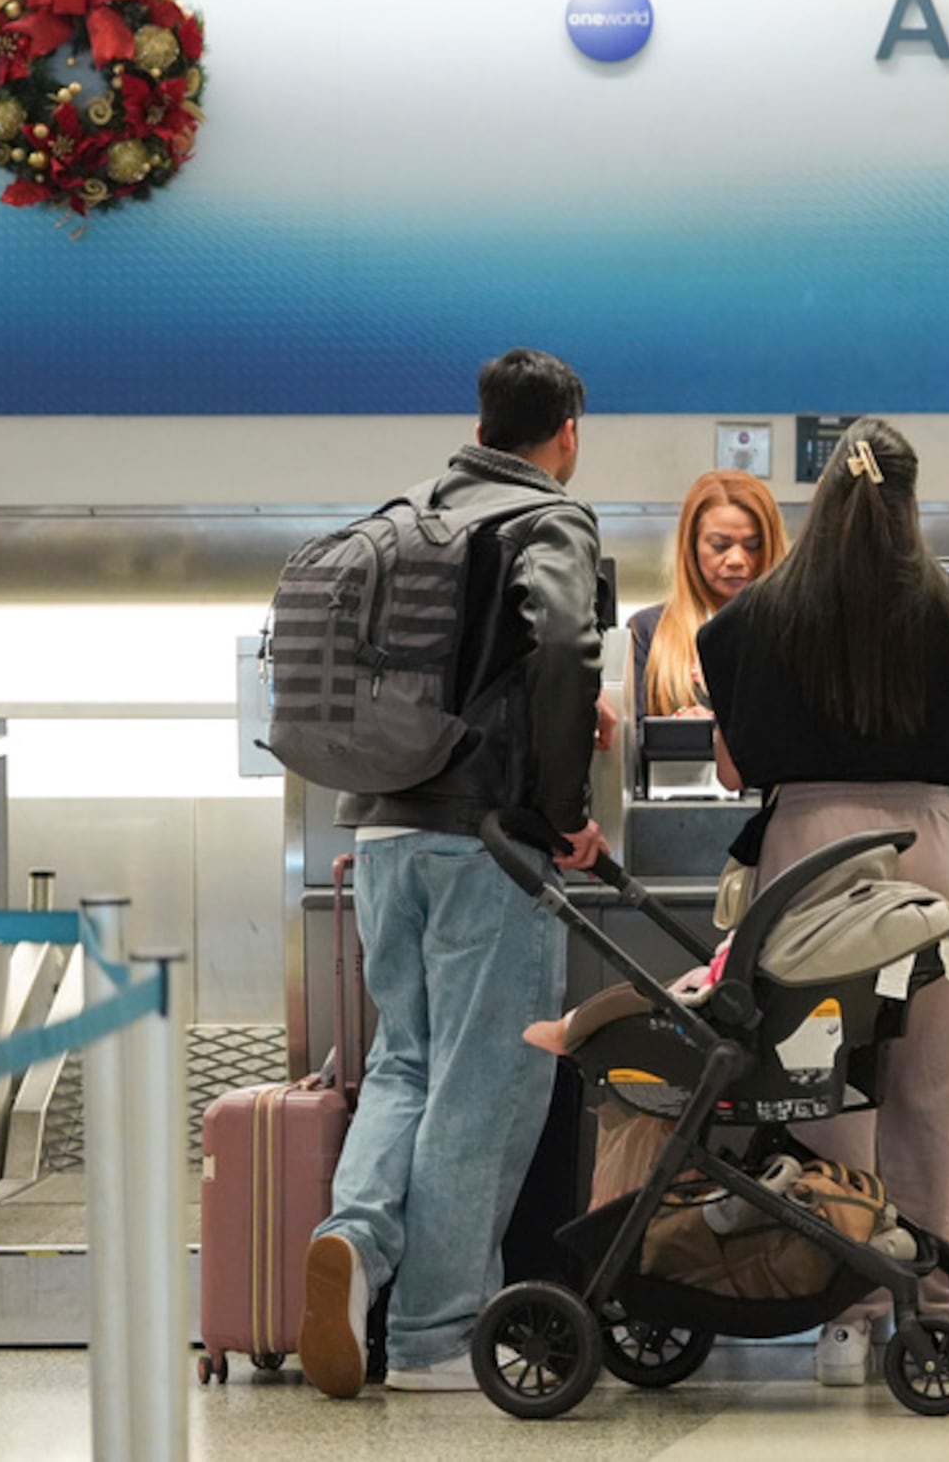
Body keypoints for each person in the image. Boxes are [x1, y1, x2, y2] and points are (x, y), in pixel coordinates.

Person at [300, 347, 615, 1398]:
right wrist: (564, 812)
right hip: (487, 840)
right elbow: (566, 644)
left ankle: (353, 1243)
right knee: (486, 1077)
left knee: (405, 1064)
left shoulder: (415, 514)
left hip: (384, 831)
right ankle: (436, 1332)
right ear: (566, 430)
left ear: (480, 420)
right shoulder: (547, 517)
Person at [697, 418, 949, 1386]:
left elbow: (733, 764)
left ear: (820, 499)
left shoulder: (747, 620)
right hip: (930, 848)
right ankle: (937, 1298)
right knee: (932, 1069)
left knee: (819, 1067)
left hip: (807, 847)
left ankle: (846, 1308)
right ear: (911, 504)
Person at [626, 469, 787, 720]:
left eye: (753, 546)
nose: (736, 559)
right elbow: (628, 740)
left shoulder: (792, 632)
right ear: (691, 546)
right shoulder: (647, 632)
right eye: (720, 546)